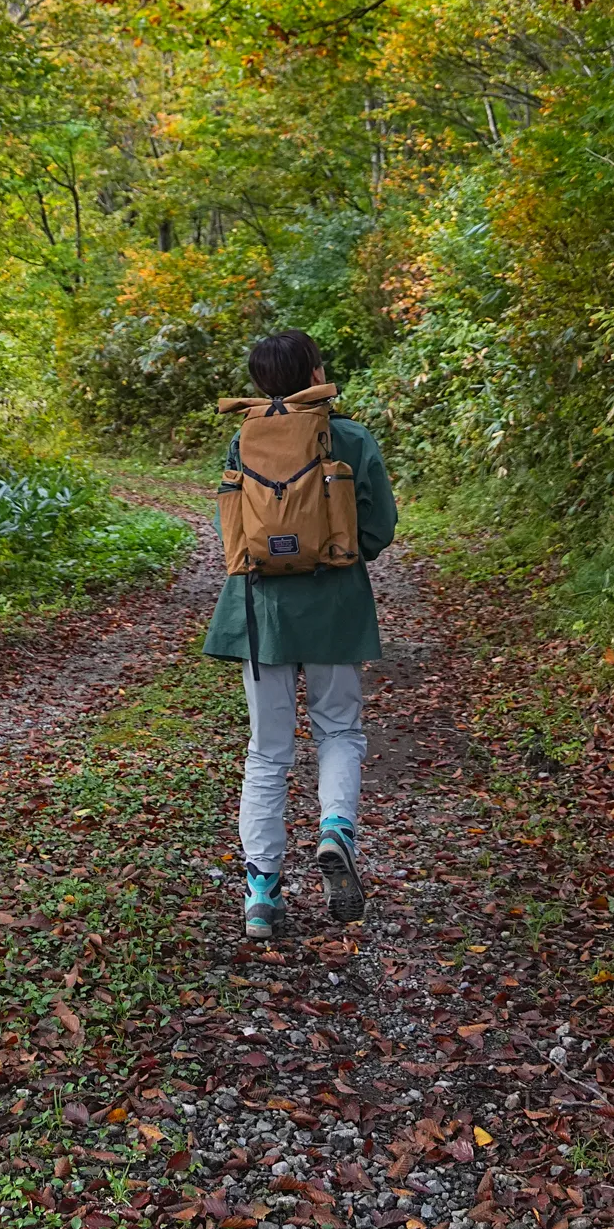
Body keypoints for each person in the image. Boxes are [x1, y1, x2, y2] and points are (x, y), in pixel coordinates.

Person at [203, 327, 399, 941]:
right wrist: (338, 552)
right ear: (315, 372)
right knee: (339, 728)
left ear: (262, 383)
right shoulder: (352, 437)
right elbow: (381, 527)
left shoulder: (245, 437)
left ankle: (261, 893)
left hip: (262, 611)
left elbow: (234, 527)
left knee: (267, 751)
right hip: (335, 604)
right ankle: (337, 829)